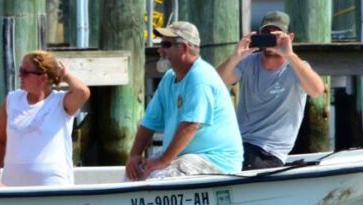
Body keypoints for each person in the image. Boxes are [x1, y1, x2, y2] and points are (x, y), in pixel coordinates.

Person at [126, 21, 243, 180]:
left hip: (215, 161)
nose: (161, 50)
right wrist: (134, 155)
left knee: (158, 176)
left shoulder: (200, 77)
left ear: (185, 48)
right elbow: (149, 122)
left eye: (166, 44)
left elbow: (191, 126)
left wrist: (162, 161)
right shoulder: (169, 78)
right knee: (135, 173)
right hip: (185, 157)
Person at [215, 11, 325, 169]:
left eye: (277, 35)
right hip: (239, 145)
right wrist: (235, 57)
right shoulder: (248, 62)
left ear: (290, 38)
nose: (271, 38)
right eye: (266, 33)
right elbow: (216, 82)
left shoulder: (296, 68)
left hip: (269, 153)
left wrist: (289, 55)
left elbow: (317, 90)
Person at [0, 50, 90, 186]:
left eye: (25, 72)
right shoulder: (11, 100)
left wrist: (65, 75)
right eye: (20, 70)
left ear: (43, 77)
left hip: (52, 184)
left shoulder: (61, 102)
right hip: (12, 184)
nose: (19, 76)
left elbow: (82, 92)